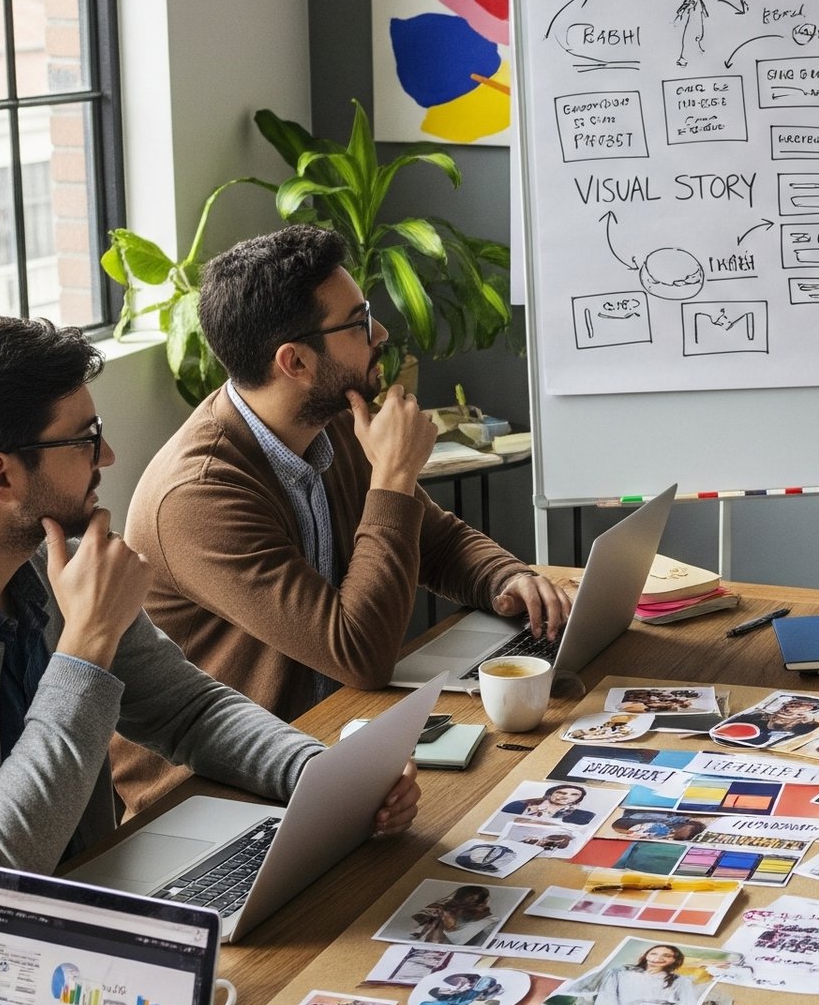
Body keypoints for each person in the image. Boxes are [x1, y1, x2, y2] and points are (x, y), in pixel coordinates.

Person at [0, 316, 419, 873]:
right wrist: (87, 642)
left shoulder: (62, 565)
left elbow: (190, 712)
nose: (107, 458)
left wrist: (329, 776)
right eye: (86, 440)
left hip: (101, 896)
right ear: (1, 478)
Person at [119, 227, 571, 805]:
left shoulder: (328, 420)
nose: (380, 334)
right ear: (297, 361)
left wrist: (507, 578)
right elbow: (357, 653)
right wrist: (392, 477)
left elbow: (432, 540)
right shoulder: (198, 497)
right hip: (224, 792)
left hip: (333, 741)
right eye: (358, 323)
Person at [552, 942, 724, 1005]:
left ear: (674, 961)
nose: (659, 958)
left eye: (667, 956)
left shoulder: (681, 981)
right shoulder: (620, 973)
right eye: (654, 953)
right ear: (646, 955)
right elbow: (606, 1000)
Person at [407, 885, 497, 946]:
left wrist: (449, 927)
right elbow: (414, 925)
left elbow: (459, 941)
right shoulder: (445, 911)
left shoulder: (490, 921)